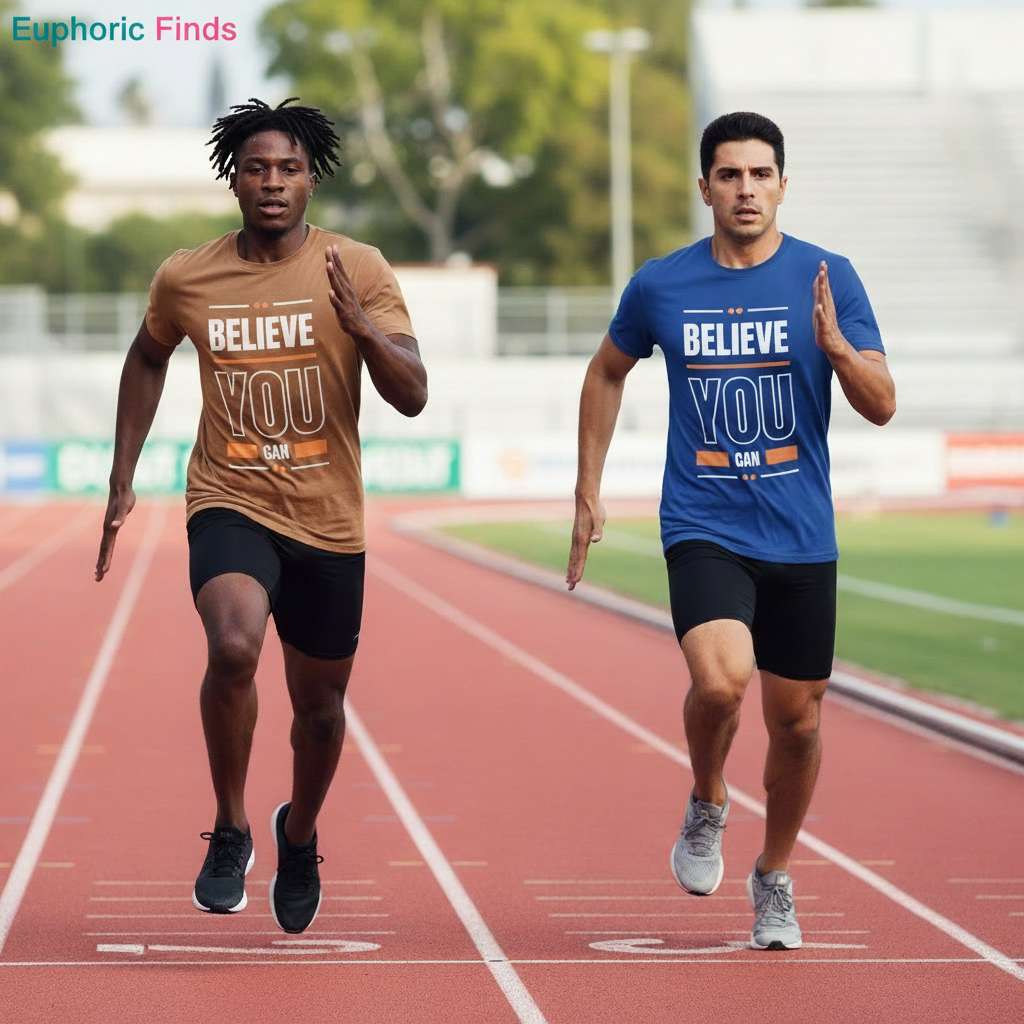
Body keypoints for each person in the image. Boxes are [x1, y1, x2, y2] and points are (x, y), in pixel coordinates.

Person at [95, 98, 427, 934]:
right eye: (256, 168)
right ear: (233, 179)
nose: (273, 183)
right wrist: (122, 477)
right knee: (233, 642)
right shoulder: (186, 275)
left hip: (328, 520)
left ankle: (300, 833)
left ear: (311, 178)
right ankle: (233, 825)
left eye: (288, 169)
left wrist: (365, 330)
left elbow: (414, 394)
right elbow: (147, 355)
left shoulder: (360, 267)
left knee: (318, 711)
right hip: (228, 497)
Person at [567, 111, 895, 950]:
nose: (745, 189)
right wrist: (588, 488)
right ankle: (708, 800)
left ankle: (775, 875)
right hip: (704, 519)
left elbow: (883, 404)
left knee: (799, 724)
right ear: (705, 186)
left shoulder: (830, 277)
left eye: (760, 174)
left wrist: (839, 350)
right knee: (721, 682)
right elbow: (607, 369)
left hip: (801, 532)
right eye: (729, 175)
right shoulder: (661, 285)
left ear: (782, 183)